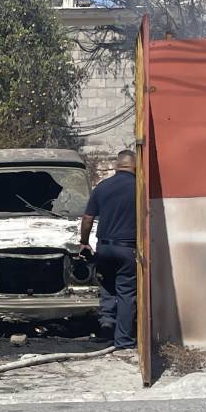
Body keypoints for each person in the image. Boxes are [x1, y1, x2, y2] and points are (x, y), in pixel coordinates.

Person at [79, 150, 137, 350]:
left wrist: (84, 242)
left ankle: (106, 328)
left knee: (107, 287)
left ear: (117, 165)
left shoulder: (102, 187)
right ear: (135, 166)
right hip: (128, 249)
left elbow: (87, 219)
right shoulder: (140, 189)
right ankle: (124, 341)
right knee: (126, 294)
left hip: (104, 247)